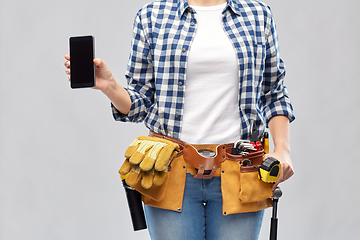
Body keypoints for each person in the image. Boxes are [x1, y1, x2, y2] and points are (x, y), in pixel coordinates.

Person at [64, 0, 295, 239]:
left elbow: (273, 93)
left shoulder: (258, 15)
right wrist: (110, 86)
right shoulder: (152, 16)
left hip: (240, 170)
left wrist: (283, 151)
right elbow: (141, 103)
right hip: (171, 170)